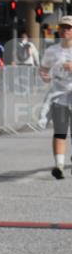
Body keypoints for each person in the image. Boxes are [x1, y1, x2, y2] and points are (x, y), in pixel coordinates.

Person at [39, 16, 72, 179]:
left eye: (69, 27)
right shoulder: (52, 50)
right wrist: (45, 76)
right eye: (63, 27)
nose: (65, 30)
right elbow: (43, 68)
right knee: (60, 132)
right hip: (59, 96)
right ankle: (59, 165)